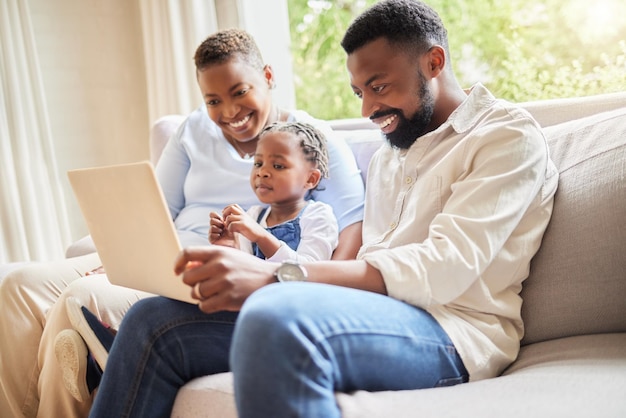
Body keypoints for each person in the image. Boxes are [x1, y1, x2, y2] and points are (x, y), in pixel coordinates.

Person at [88, 1, 559, 417]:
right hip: (369, 311)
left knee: (277, 322)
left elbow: (446, 268)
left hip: (454, 332)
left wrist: (278, 278)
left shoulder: (504, 138)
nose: (367, 109)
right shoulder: (394, 152)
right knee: (152, 320)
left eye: (379, 86)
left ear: (433, 61)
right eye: (360, 93)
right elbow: (367, 262)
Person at [0, 28, 365, 418]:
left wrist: (309, 290)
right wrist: (124, 253)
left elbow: (350, 232)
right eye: (213, 100)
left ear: (269, 77)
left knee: (78, 297)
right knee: (17, 287)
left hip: (203, 272)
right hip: (158, 254)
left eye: (240, 92)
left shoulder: (311, 142)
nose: (229, 112)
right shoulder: (192, 130)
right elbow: (155, 205)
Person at [209, 121, 338, 262]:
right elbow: (245, 269)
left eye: (278, 166)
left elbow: (309, 271)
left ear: (310, 178)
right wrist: (231, 247)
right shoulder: (253, 216)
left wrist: (261, 236)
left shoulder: (318, 215)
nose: (262, 172)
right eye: (258, 163)